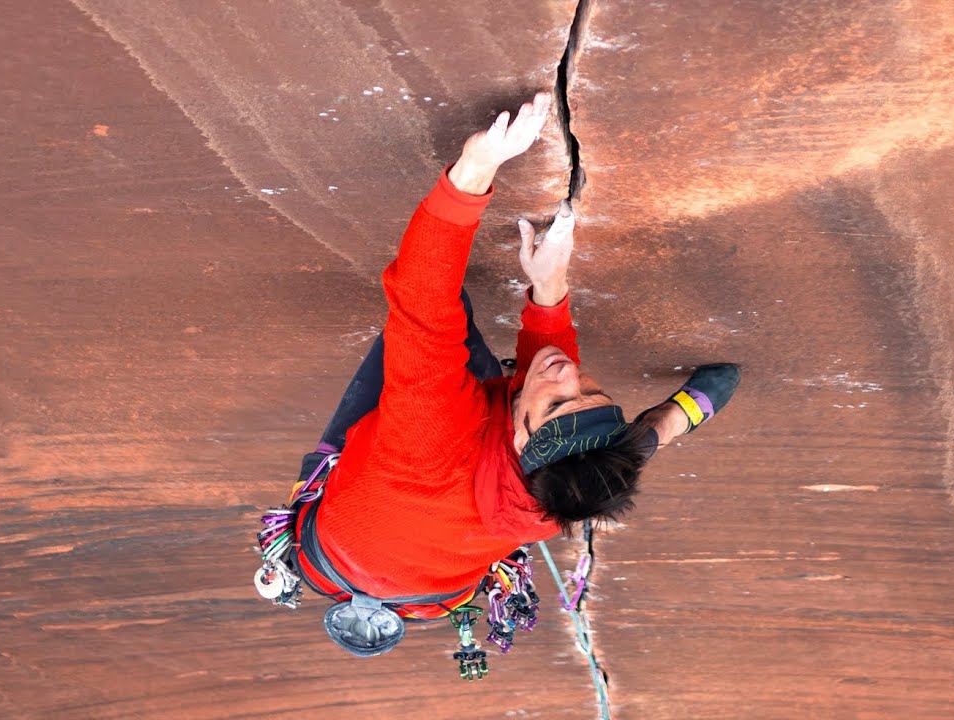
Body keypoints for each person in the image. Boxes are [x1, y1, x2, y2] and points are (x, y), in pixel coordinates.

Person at [262, 92, 741, 659]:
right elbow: (577, 426)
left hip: (357, 529)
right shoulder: (551, 500)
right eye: (592, 391)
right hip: (433, 586)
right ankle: (674, 418)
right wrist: (547, 289)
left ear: (517, 438)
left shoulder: (429, 437)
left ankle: (653, 418)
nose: (569, 375)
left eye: (559, 403)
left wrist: (475, 168)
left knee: (442, 323)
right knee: (625, 452)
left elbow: (422, 296)